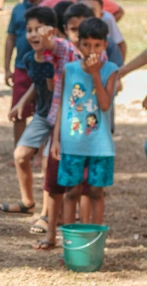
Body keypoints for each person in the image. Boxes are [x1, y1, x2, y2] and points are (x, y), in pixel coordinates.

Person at [51, 17, 117, 228]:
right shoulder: (70, 69)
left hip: (101, 145)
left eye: (97, 45)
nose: (91, 50)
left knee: (97, 191)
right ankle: (70, 243)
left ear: (105, 45)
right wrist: (55, 139)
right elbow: (62, 105)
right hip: (72, 143)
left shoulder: (111, 70)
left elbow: (105, 105)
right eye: (86, 44)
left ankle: (96, 238)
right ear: (78, 45)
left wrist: (96, 74)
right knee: (72, 191)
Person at [4, 8, 61, 248]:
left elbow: (56, 84)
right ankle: (28, 202)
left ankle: (48, 216)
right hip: (41, 115)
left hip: (59, 117)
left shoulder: (57, 56)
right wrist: (20, 103)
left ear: (51, 31)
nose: (32, 34)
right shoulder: (29, 58)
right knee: (20, 155)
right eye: (28, 30)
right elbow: (37, 85)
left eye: (38, 29)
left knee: (49, 163)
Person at [5, 0, 42, 149]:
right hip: (21, 67)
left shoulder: (47, 7)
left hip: (43, 67)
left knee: (42, 111)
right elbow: (10, 38)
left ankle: (39, 153)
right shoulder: (18, 9)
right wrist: (7, 68)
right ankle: (19, 149)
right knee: (18, 112)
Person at [79, 0, 124, 65]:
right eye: (83, 11)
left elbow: (120, 43)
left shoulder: (107, 19)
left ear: (101, 14)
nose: (87, 15)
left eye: (92, 11)